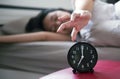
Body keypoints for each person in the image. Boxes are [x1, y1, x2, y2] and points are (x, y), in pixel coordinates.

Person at [0, 8, 73, 43]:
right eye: (53, 29)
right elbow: (43, 36)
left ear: (62, 10)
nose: (58, 23)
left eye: (55, 18)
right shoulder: (71, 37)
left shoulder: (80, 6)